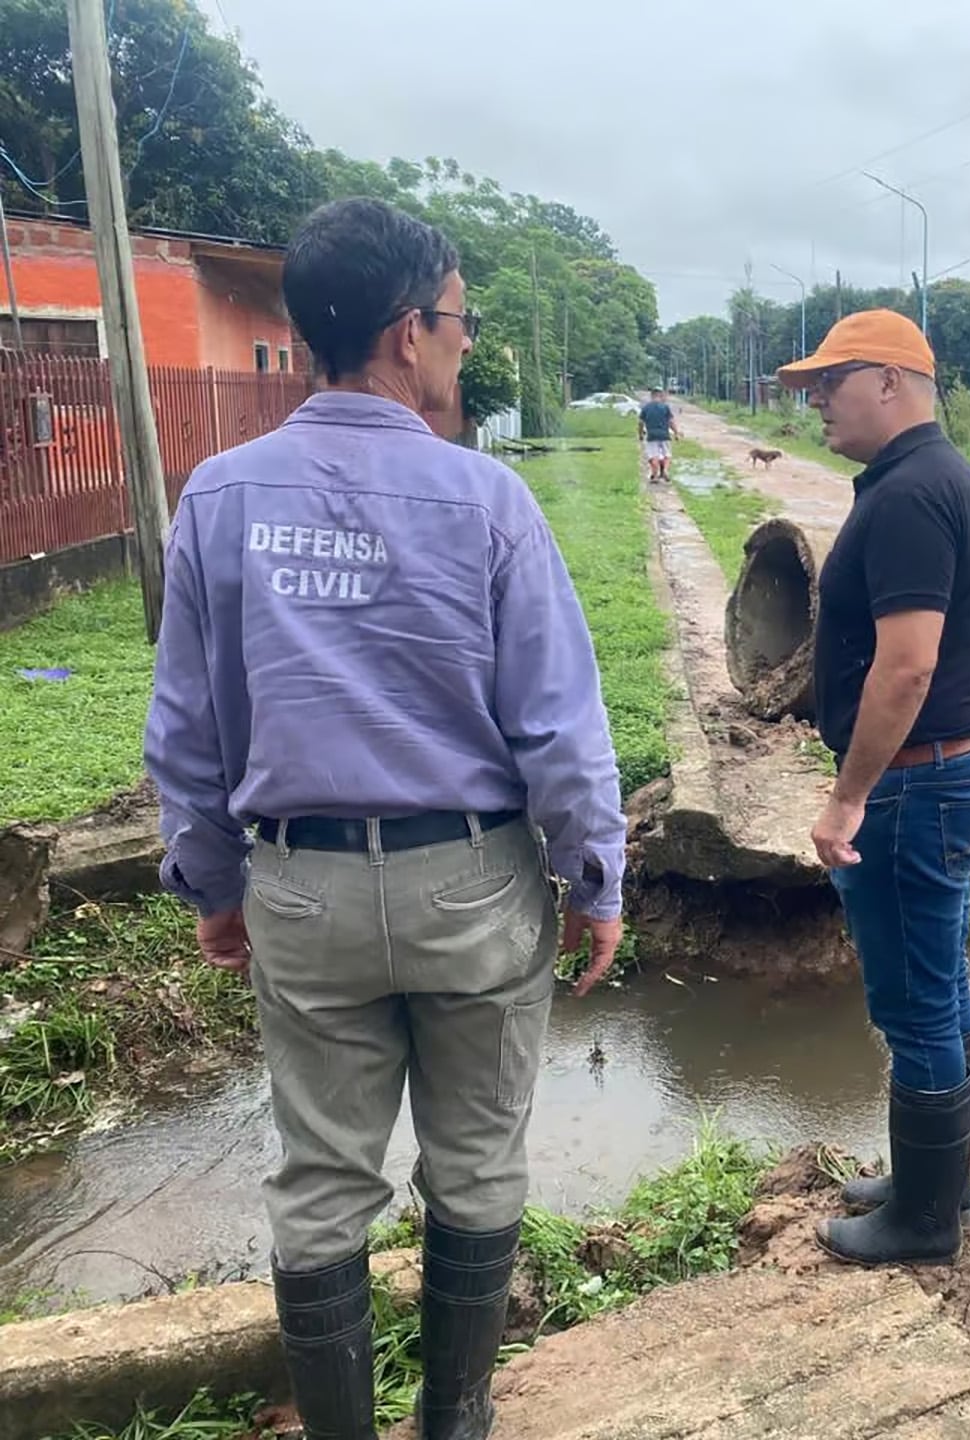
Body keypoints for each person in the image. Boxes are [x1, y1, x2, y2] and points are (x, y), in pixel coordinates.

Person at [143, 197, 627, 1440]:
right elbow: (559, 728)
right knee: (475, 1164)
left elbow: (186, 733)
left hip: (298, 891)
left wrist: (213, 888)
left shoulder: (220, 498)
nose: (465, 345)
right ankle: (456, 1419)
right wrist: (594, 877)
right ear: (410, 331)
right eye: (460, 320)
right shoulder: (487, 503)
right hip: (470, 886)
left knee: (318, 1185)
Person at [774, 311, 970, 1267]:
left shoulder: (915, 494)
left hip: (919, 781)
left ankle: (924, 1223)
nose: (816, 403)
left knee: (914, 1000)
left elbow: (906, 668)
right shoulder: (930, 478)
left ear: (887, 381)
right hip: (953, 765)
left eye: (828, 384)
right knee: (940, 980)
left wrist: (847, 797)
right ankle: (939, 1183)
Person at [639, 386, 680, 483]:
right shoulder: (665, 407)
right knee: (667, 455)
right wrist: (676, 433)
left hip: (652, 435)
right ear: (660, 395)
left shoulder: (646, 408)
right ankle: (665, 470)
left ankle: (656, 475)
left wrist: (640, 434)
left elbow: (640, 423)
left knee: (654, 456)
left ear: (651, 395)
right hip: (664, 435)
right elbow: (671, 422)